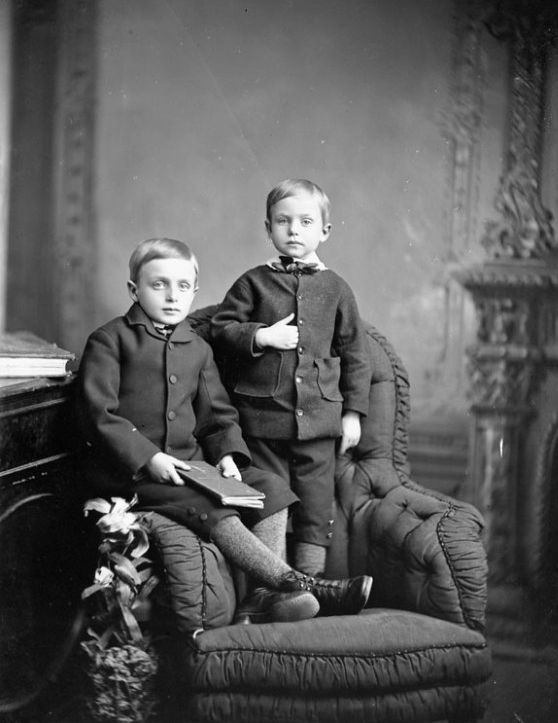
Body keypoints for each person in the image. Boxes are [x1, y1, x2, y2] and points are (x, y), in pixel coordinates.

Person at [75, 237, 372, 626]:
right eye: (158, 284)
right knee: (215, 509)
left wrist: (228, 457)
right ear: (134, 289)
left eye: (182, 286)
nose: (171, 296)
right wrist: (149, 456)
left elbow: (217, 417)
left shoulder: (196, 347)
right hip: (133, 474)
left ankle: (260, 597)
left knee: (271, 489)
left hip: (192, 467)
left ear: (194, 291)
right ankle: (303, 585)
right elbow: (99, 415)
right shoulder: (109, 340)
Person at [211, 179, 371, 577]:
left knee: (317, 506)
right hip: (262, 417)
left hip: (319, 420)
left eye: (305, 221)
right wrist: (261, 336)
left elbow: (356, 354)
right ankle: (275, 584)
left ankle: (310, 584)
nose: (294, 230)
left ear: (324, 231)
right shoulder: (253, 282)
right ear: (268, 229)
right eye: (283, 221)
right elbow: (221, 328)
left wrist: (353, 414)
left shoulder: (337, 289)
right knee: (272, 500)